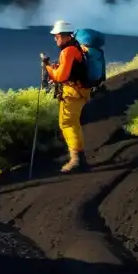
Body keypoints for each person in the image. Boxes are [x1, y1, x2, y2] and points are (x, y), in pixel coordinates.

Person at [42, 21, 91, 173]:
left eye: (57, 36)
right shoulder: (76, 48)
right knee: (71, 123)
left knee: (68, 124)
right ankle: (78, 158)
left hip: (73, 93)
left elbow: (61, 76)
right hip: (80, 91)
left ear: (65, 36)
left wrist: (47, 67)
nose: (55, 39)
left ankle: (77, 160)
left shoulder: (68, 51)